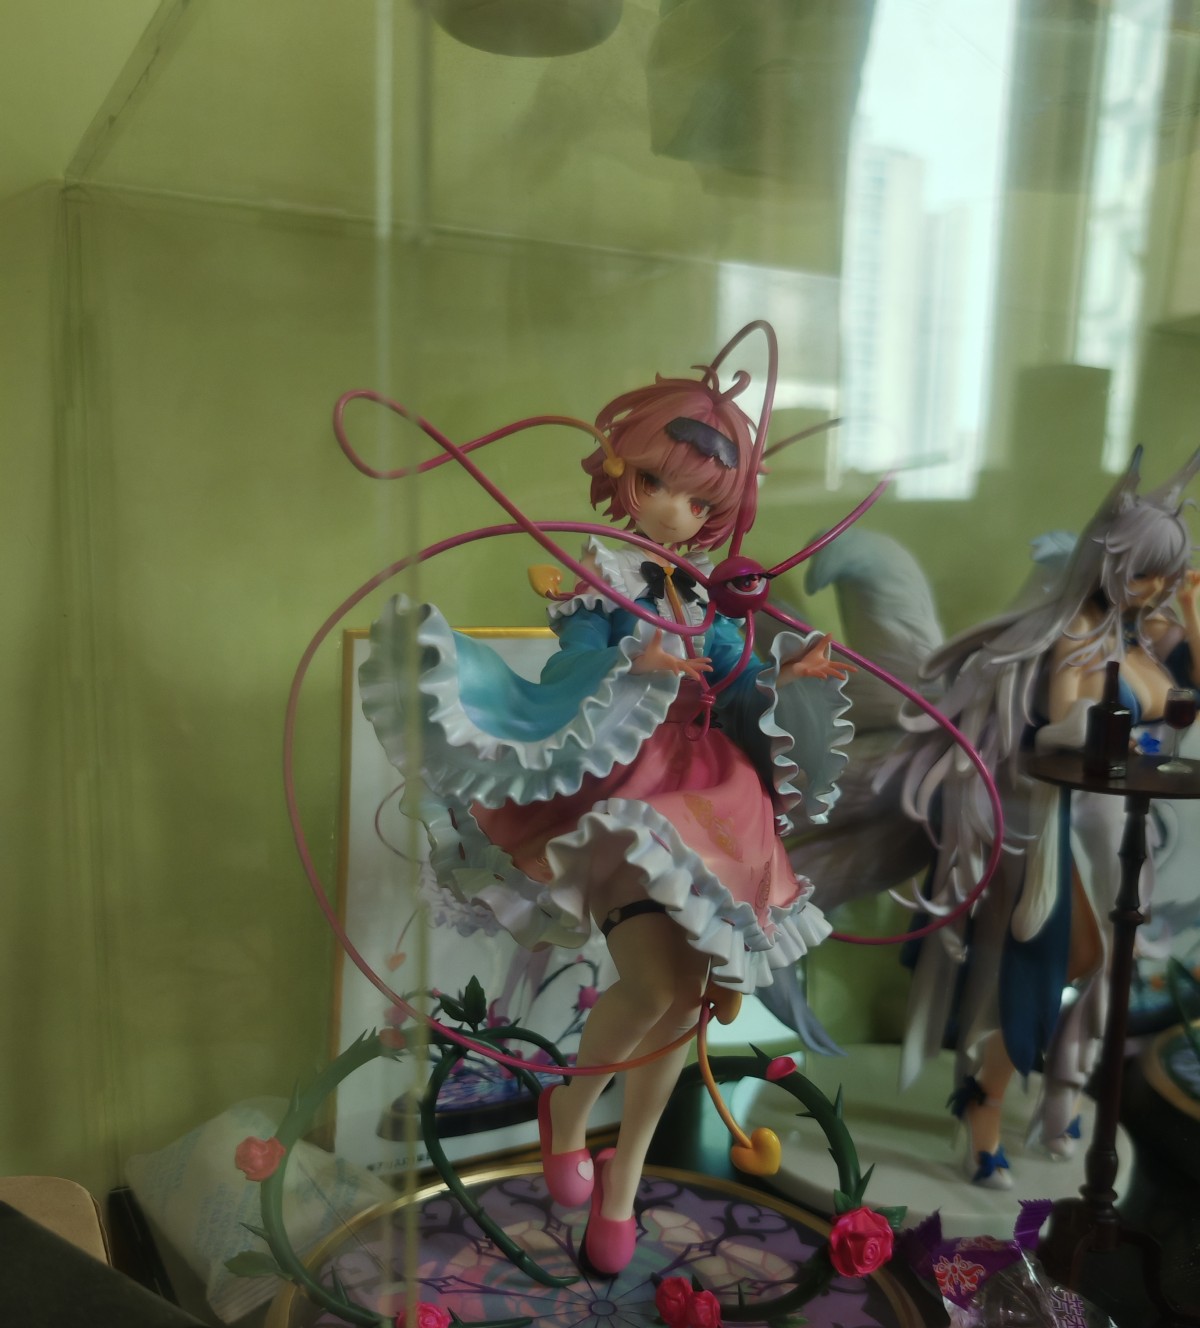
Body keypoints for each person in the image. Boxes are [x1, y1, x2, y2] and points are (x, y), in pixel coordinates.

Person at [359, 361, 854, 1270]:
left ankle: (623, 1179)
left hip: (711, 798)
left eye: (697, 500)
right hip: (629, 786)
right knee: (658, 986)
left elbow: (737, 680)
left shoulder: (700, 592)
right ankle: (572, 1109)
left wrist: (785, 677)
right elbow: (566, 669)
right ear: (620, 471)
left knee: (689, 1000)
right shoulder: (603, 578)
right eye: (657, 482)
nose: (673, 510)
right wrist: (630, 666)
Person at [890, 447, 1200, 1187]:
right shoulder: (1075, 631)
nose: (1154, 589)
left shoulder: (1134, 633)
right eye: (1145, 573)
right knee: (1051, 964)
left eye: (1164, 576)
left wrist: (1185, 617)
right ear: (1110, 561)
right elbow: (1062, 721)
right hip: (1040, 826)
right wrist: (1108, 720)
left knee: (1097, 965)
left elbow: (1184, 692)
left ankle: (1036, 1096)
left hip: (1110, 831)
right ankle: (984, 1106)